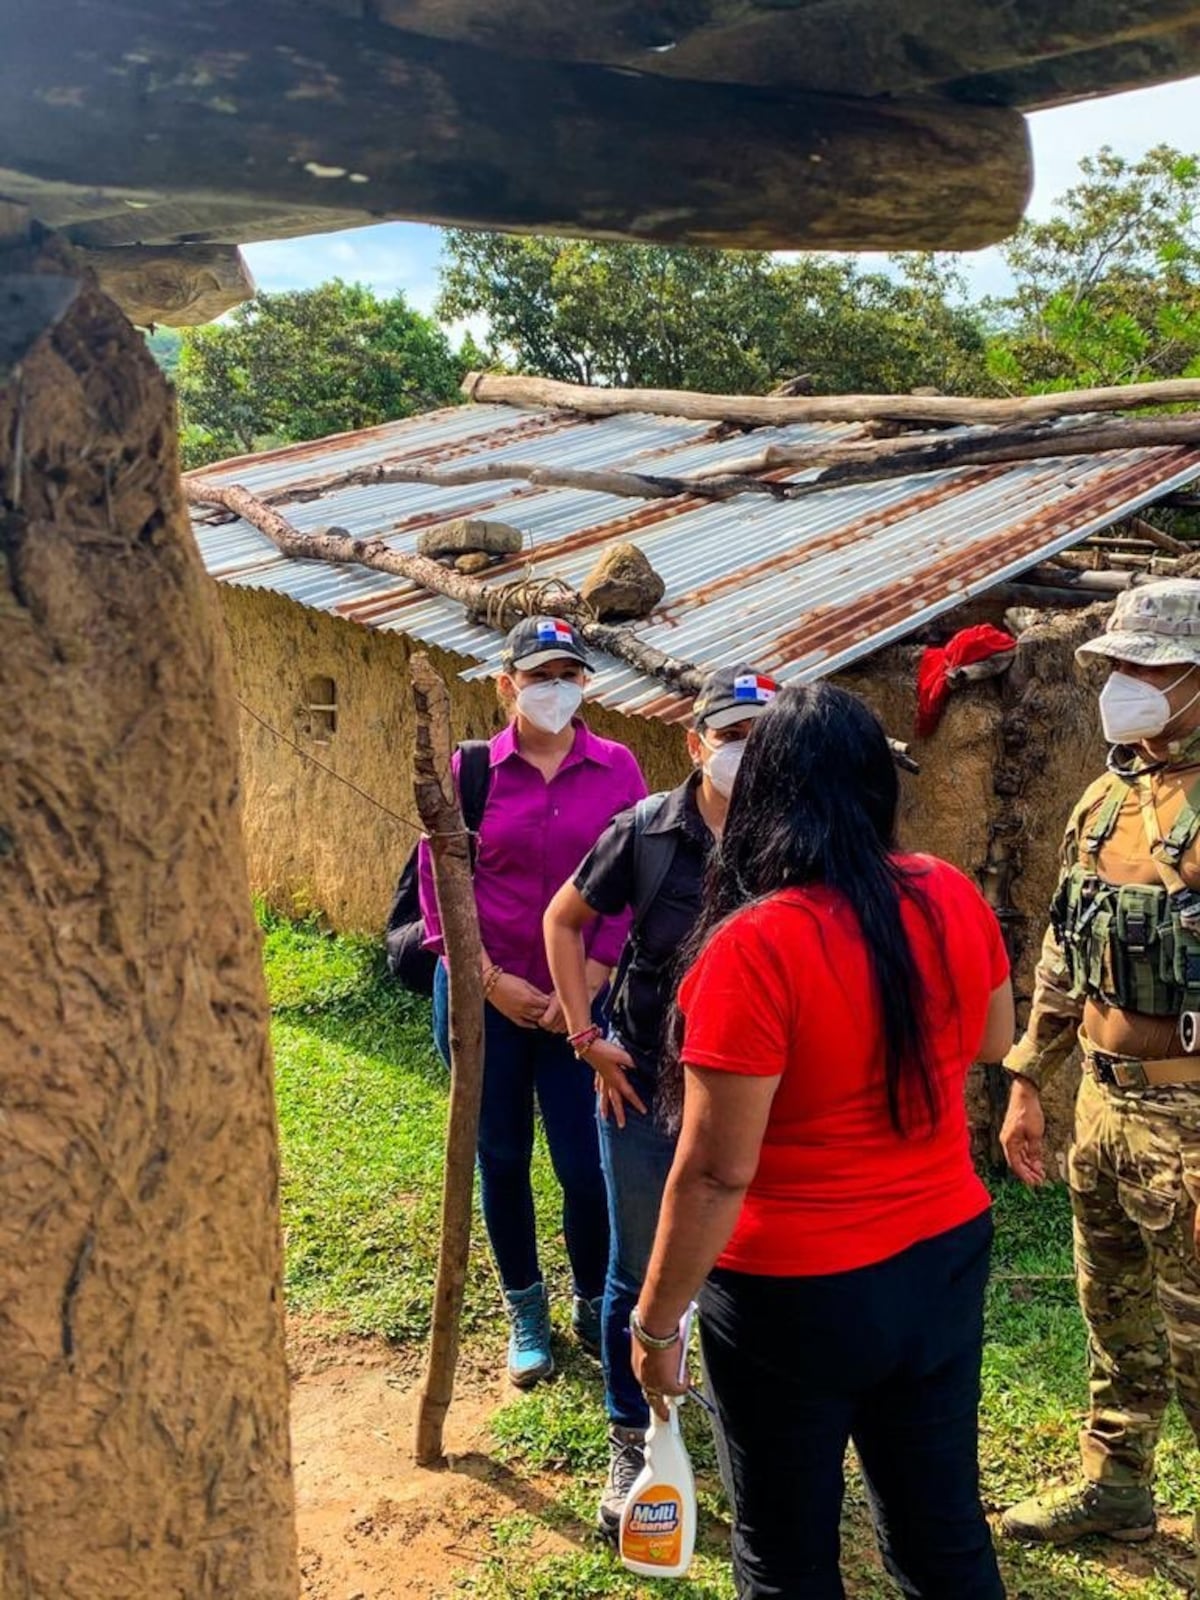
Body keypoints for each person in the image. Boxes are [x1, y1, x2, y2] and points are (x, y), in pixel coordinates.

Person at [629, 682, 1014, 1600]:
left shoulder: (754, 949)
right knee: (942, 1535)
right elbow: (996, 1040)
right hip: (942, 1262)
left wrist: (652, 1324)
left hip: (791, 1298)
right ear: (879, 789)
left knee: (786, 1555)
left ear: (762, 793)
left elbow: (717, 1172)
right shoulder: (949, 893)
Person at [543, 664, 779, 1538]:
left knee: (737, 1271)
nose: (745, 755)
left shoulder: (791, 841)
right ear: (695, 743)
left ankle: (731, 1429)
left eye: (762, 737)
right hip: (644, 1084)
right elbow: (563, 922)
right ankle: (634, 1438)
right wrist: (584, 1036)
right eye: (732, 737)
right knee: (638, 1274)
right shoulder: (645, 831)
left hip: (751, 1101)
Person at [998, 579, 1200, 1572]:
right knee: (1113, 1314)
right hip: (1106, 1108)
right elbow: (1063, 954)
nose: (1128, 686)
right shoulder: (1104, 797)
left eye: (1153, 670)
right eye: (1122, 667)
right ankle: (1118, 1488)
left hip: (1194, 1120)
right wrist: (1032, 1076)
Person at [418, 615, 646, 1387]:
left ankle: (591, 1299)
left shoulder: (618, 771)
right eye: (539, 676)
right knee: (502, 1155)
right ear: (505, 682)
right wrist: (485, 978)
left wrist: (591, 981)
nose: (555, 690)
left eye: (568, 676)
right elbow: (437, 884)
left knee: (587, 1167)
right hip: (487, 1002)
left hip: (579, 1006)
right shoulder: (471, 770)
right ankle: (527, 1309)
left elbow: (634, 885)